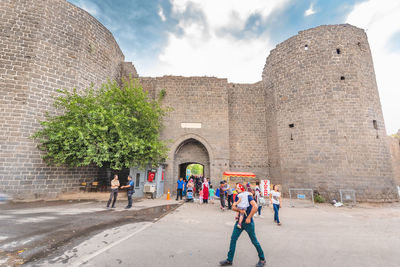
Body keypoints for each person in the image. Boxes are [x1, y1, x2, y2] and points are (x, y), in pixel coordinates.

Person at [219, 184, 266, 267]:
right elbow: (234, 207)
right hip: (239, 222)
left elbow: (255, 207)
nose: (236, 189)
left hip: (248, 223)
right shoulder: (238, 196)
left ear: (242, 189)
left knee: (254, 241)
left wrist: (248, 217)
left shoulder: (248, 196)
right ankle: (229, 260)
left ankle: (262, 259)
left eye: (237, 188)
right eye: (236, 188)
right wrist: (239, 209)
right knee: (233, 239)